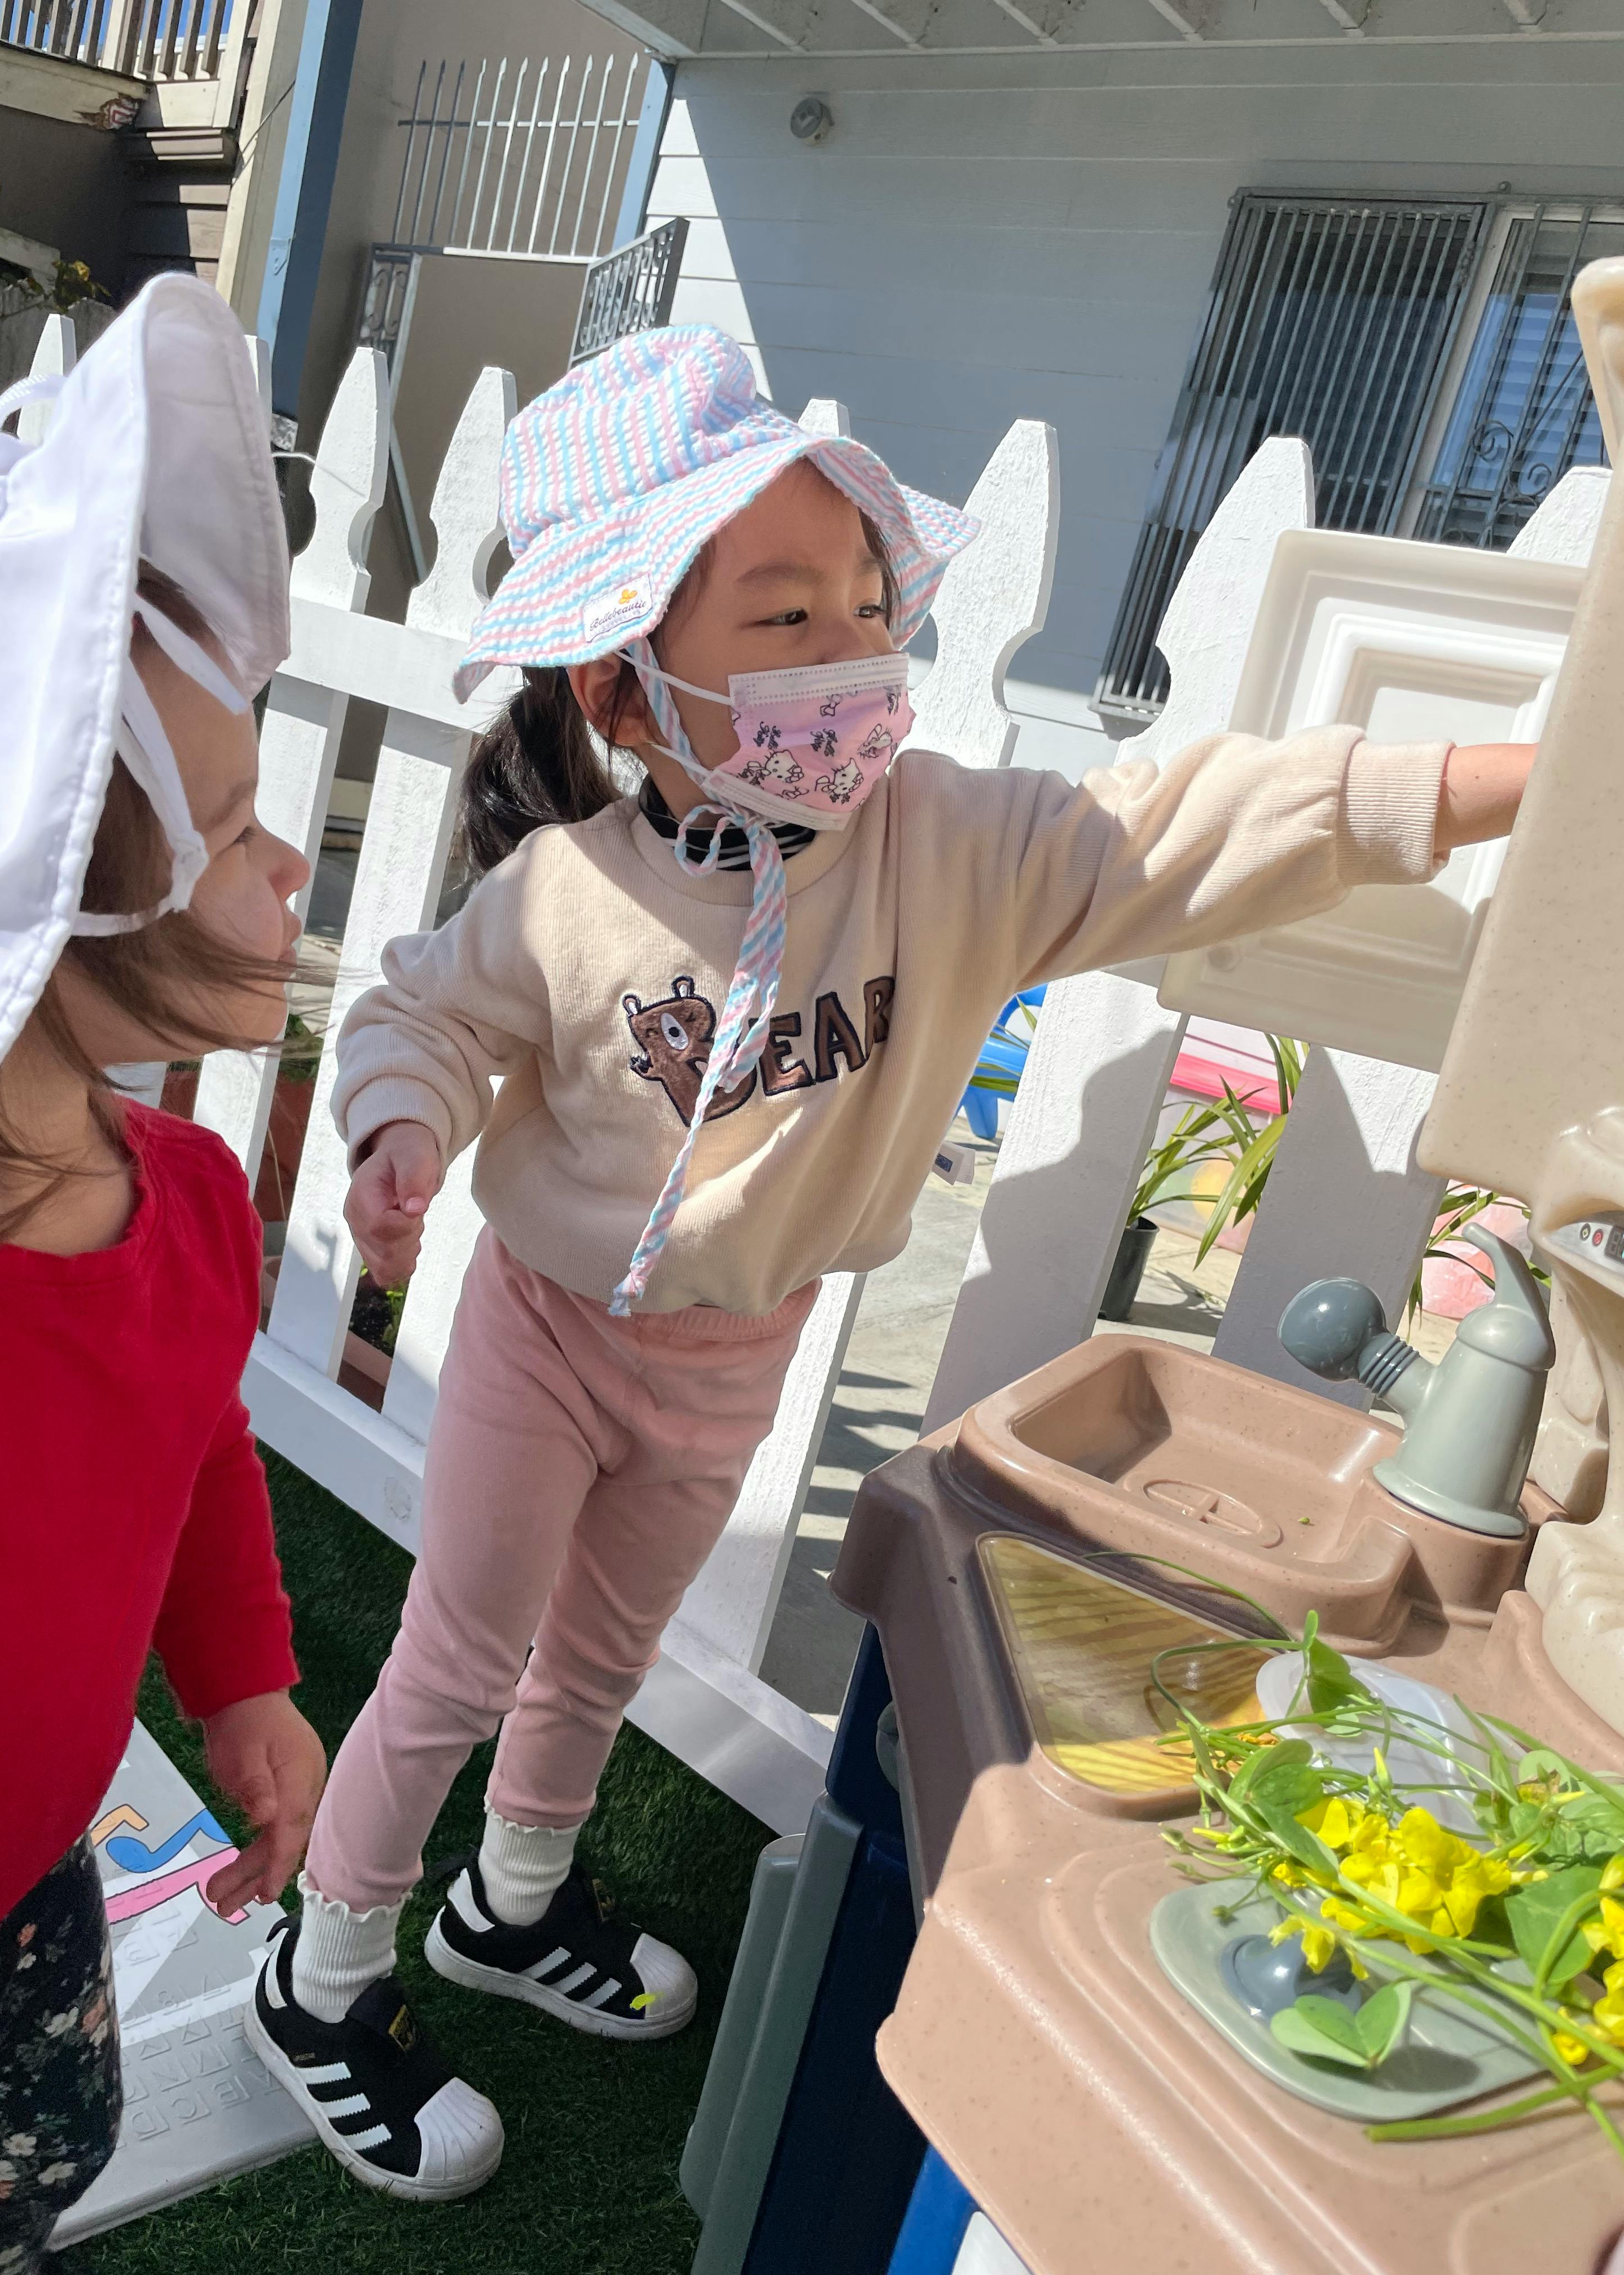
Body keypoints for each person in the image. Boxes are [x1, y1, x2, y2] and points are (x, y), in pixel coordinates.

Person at [250, 325, 1535, 2201]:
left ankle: (509, 1909)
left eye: (868, 606)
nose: (853, 656)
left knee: (599, 1657)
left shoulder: (946, 851)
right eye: (783, 620)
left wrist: (1519, 779)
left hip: (735, 1355)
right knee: (457, 1655)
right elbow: (422, 1019)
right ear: (626, 685)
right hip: (540, 1330)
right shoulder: (567, 887)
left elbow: (1185, 825)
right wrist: (401, 1135)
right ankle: (331, 1962)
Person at [0, 275, 328, 2272]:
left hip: (17, 1905)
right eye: (238, 829)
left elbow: (193, 1445)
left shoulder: (187, 1204)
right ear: (31, 901)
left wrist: (241, 1677)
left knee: (17, 2186)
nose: (294, 869)